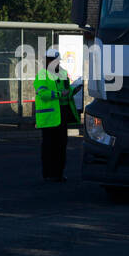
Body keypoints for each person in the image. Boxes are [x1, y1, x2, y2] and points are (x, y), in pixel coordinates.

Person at [34, 46, 79, 182]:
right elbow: (42, 94)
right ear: (48, 61)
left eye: (58, 60)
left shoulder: (63, 73)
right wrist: (59, 94)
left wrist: (72, 90)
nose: (57, 63)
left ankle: (59, 174)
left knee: (61, 146)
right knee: (49, 147)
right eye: (54, 60)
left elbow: (67, 89)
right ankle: (48, 175)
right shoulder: (42, 75)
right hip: (49, 118)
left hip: (62, 115)